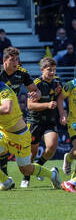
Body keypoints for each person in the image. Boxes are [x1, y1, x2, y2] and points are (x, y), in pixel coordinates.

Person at [0, 81, 61, 191]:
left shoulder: (4, 90)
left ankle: (52, 175)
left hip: (19, 136)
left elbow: (6, 109)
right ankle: (5, 181)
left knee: (26, 169)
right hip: (3, 131)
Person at [20, 57, 62, 188]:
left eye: (54, 70)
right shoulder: (36, 84)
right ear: (42, 69)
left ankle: (39, 167)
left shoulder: (57, 82)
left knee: (52, 146)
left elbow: (61, 97)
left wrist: (63, 114)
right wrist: (47, 104)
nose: (52, 72)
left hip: (50, 121)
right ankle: (26, 177)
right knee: (32, 153)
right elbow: (30, 106)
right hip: (34, 121)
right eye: (49, 70)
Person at [0, 46, 41, 181]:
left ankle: (6, 179)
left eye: (17, 59)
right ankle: (5, 177)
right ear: (4, 60)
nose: (15, 63)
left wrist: (36, 95)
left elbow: (36, 90)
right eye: (12, 60)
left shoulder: (22, 73)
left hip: (13, 112)